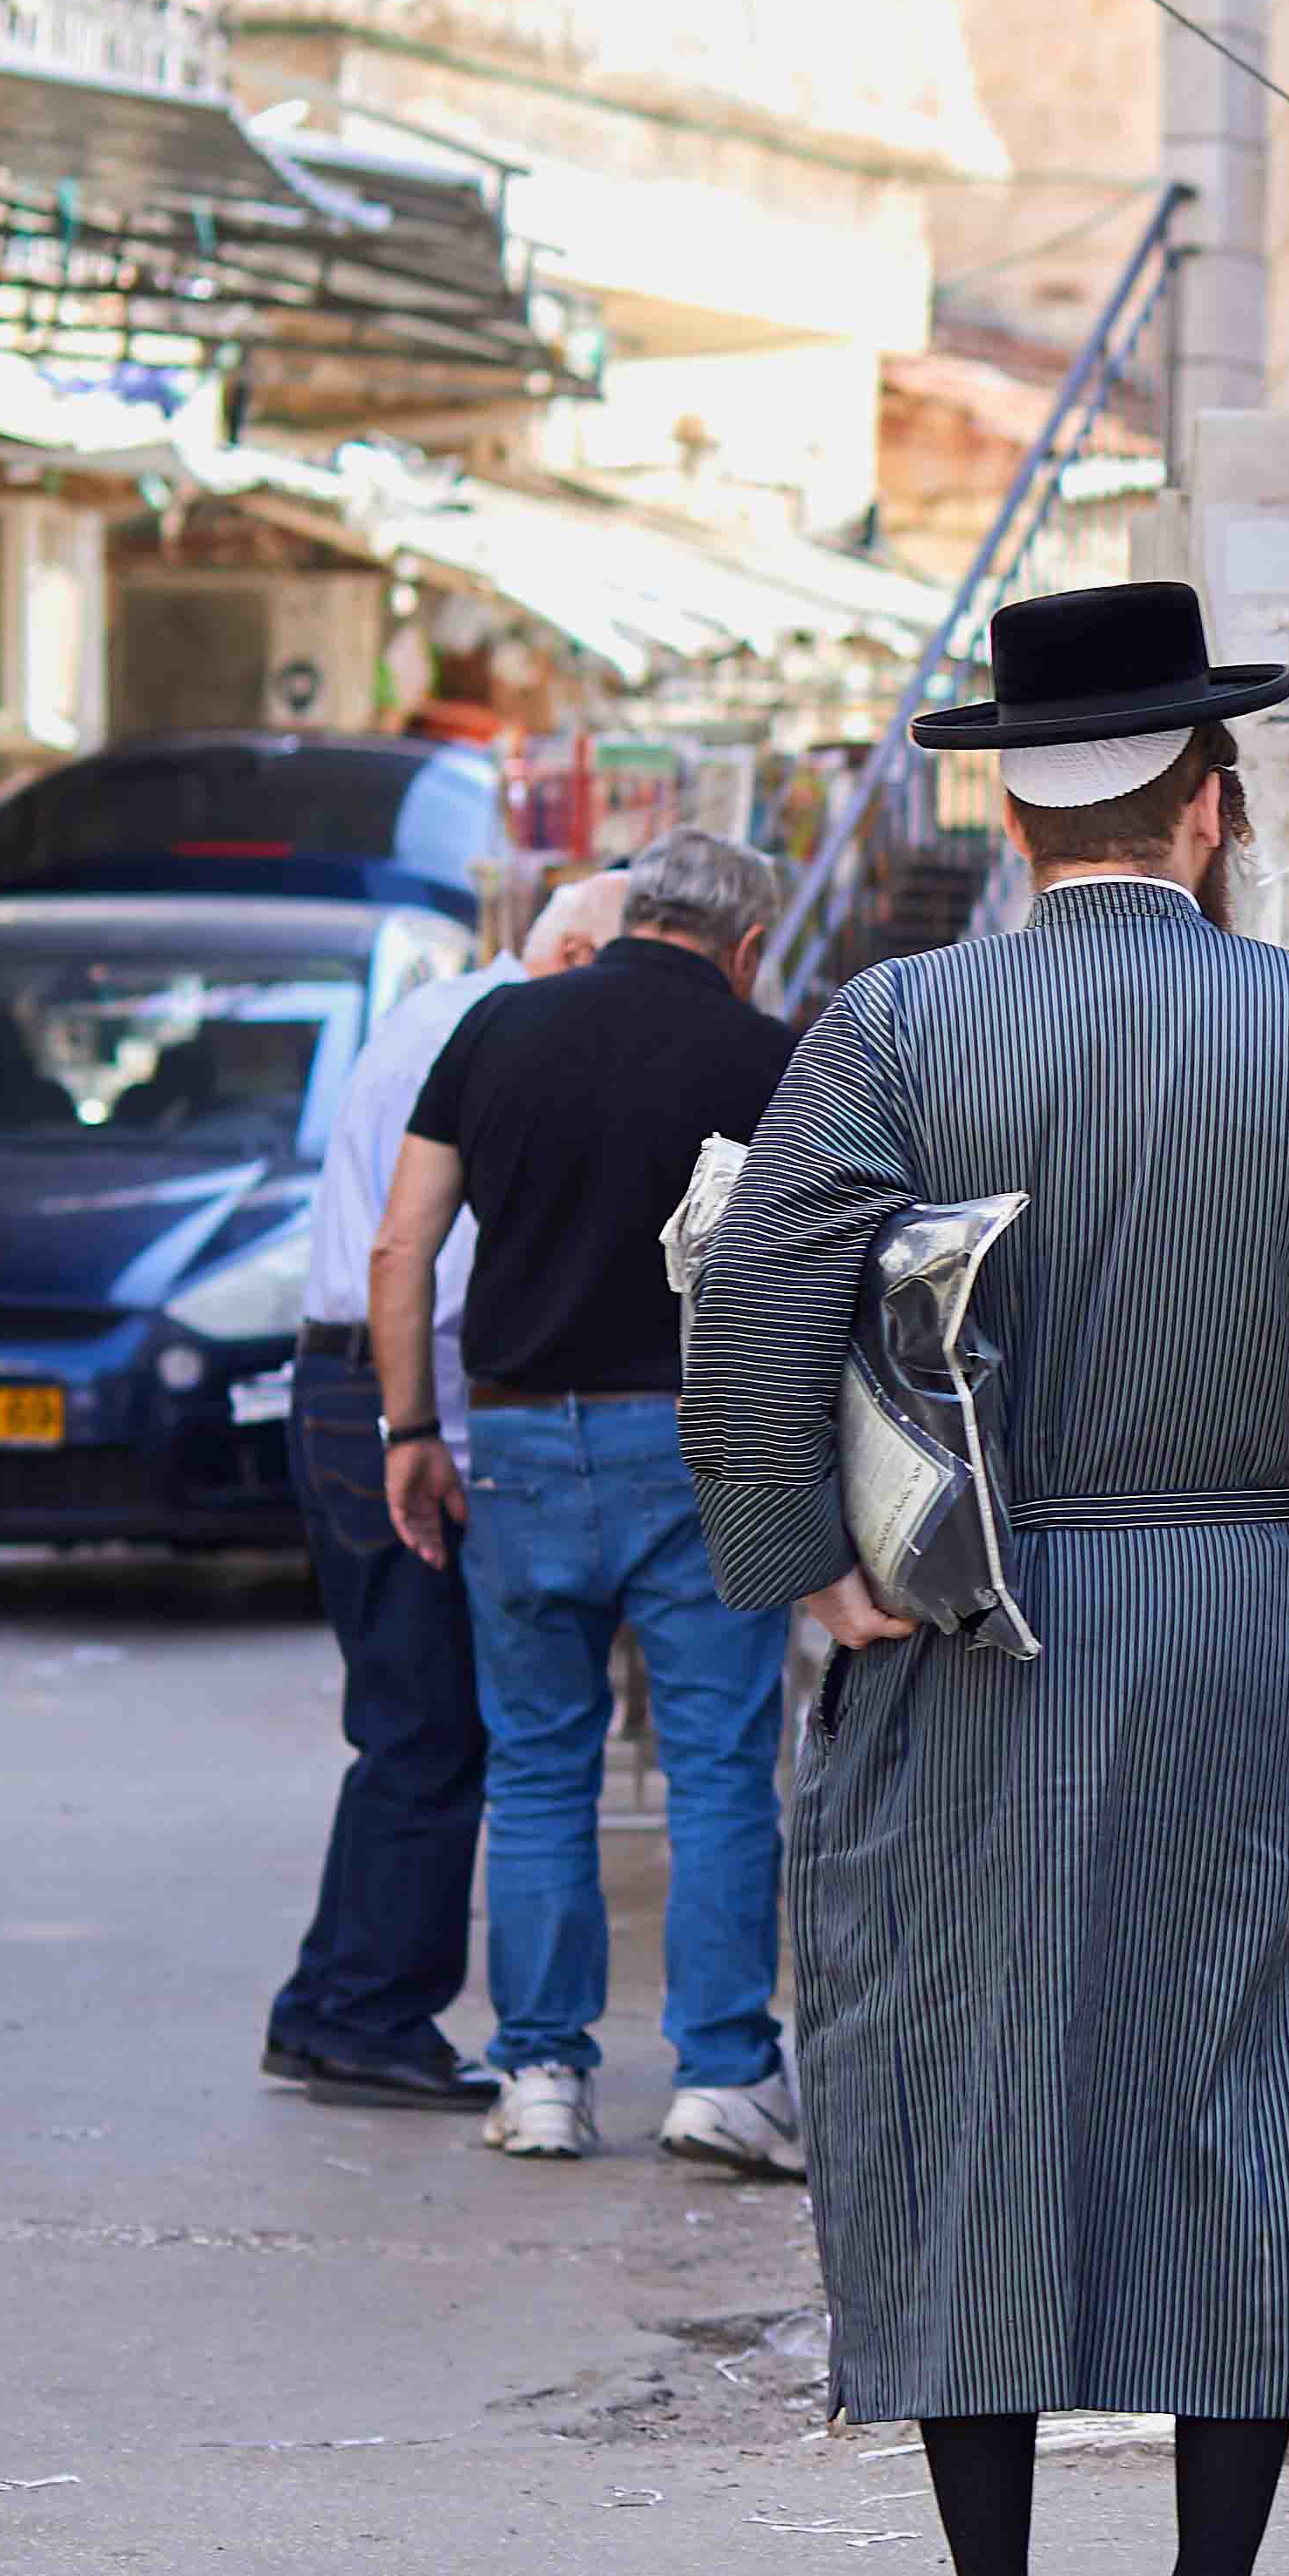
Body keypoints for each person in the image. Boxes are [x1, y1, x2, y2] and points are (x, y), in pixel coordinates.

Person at [681, 578, 1289, 2576]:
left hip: (975, 1632)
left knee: (962, 2091)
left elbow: (753, 1298)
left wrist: (810, 1564)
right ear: (1208, 810)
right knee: (1254, 2107)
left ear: (1020, 827)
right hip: (1246, 1625)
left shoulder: (892, 1028)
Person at [371, 830, 803, 2175]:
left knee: (539, 1764)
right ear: (741, 946)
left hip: (513, 1443)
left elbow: (403, 1241)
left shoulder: (496, 1027)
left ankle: (543, 2073)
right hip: (699, 1443)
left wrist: (408, 1427)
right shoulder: (768, 1053)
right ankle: (723, 2077)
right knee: (721, 1767)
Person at [260, 867, 631, 2113]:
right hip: (393, 1393)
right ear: (580, 960)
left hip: (349, 1384)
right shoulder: (497, 1037)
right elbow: (440, 1262)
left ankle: (333, 2001)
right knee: (430, 1723)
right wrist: (434, 1435)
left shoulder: (447, 1010)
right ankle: (364, 2014)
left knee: (409, 1716)